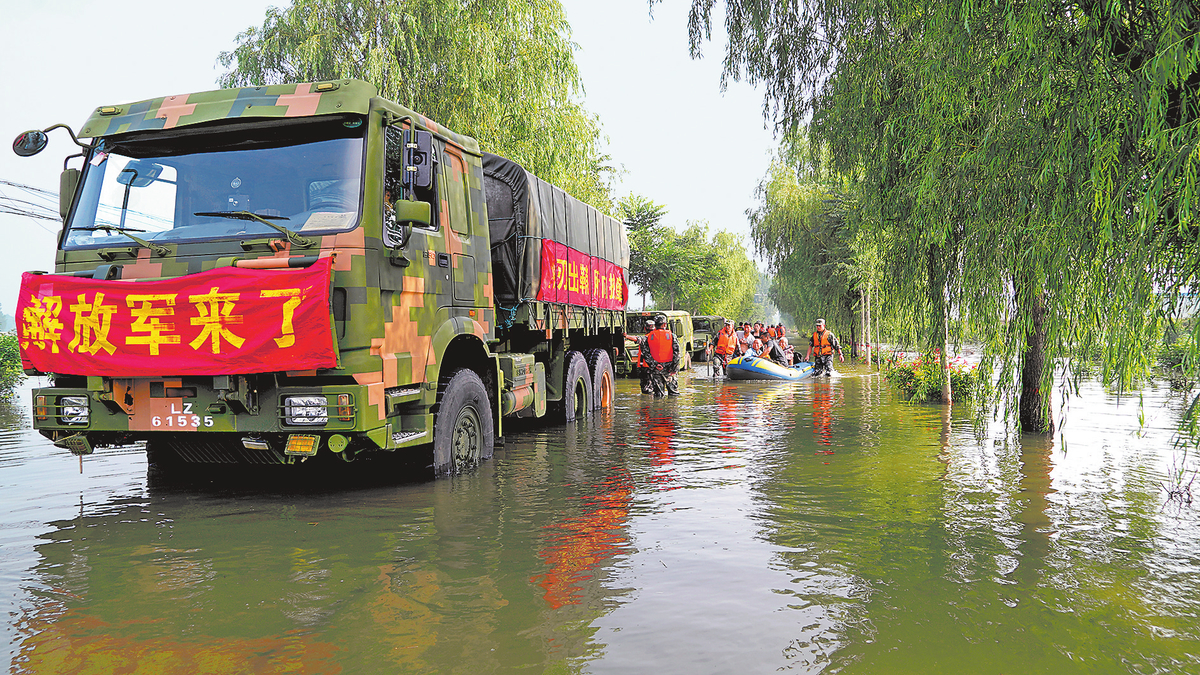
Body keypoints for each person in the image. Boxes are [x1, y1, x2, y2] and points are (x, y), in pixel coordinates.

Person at [645, 315, 680, 397]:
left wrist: (655, 365)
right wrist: (674, 368)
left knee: (658, 395)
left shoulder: (649, 336)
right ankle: (671, 408)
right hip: (669, 369)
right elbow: (677, 354)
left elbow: (646, 354)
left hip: (656, 369)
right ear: (664, 324)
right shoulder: (672, 336)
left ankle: (658, 409)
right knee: (673, 394)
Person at [637, 318, 656, 394]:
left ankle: (647, 404)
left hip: (645, 366)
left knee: (646, 389)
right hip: (655, 365)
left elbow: (636, 339)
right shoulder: (657, 338)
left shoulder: (644, 338)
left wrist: (625, 335)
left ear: (645, 328)